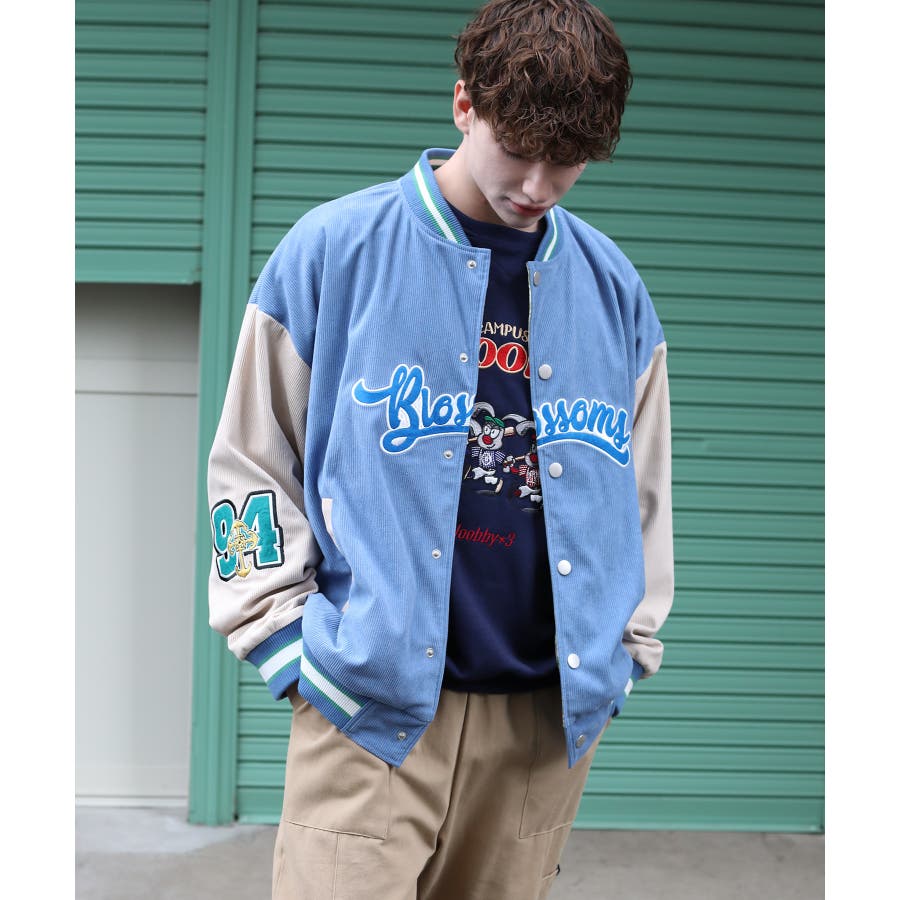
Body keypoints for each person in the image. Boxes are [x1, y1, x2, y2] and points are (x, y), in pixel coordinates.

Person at [206, 1, 673, 897]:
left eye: (567, 160)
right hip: (364, 707)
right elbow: (250, 460)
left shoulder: (614, 290)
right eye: (518, 148)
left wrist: (628, 648)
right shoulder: (333, 251)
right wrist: (287, 644)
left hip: (545, 724)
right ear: (464, 104)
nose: (537, 183)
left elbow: (643, 488)